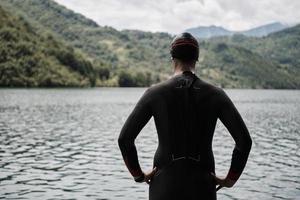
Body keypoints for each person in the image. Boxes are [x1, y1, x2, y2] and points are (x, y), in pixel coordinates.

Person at [118, 32, 252, 200]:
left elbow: (124, 139)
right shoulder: (216, 94)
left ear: (172, 58)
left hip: (164, 187)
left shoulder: (154, 93)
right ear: (196, 59)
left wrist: (139, 175)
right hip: (202, 187)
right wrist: (230, 179)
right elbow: (244, 141)